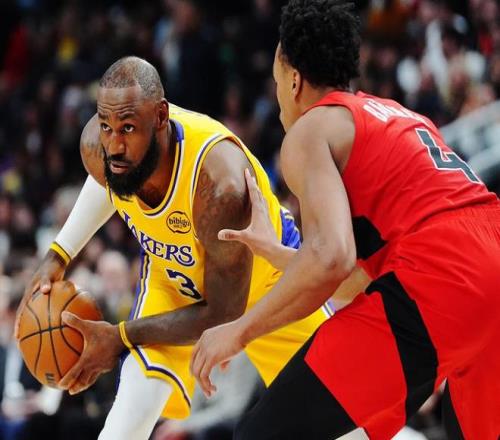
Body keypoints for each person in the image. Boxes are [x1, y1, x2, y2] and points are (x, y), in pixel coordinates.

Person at [190, 1, 500, 439]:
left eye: (276, 81)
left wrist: (239, 331)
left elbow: (332, 257)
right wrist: (280, 255)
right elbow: (358, 280)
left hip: (442, 273)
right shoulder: (401, 116)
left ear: (293, 80)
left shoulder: (310, 131)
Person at [15, 56, 334, 440]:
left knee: (347, 423)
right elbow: (106, 180)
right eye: (106, 127)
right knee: (125, 423)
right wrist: (58, 255)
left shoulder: (219, 185)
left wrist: (119, 337)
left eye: (128, 128)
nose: (114, 144)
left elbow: (224, 311)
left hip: (268, 286)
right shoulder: (101, 147)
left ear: (161, 117)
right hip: (173, 282)